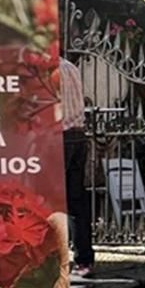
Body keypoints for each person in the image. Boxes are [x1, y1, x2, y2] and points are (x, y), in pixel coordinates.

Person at [59, 55, 95, 276]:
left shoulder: (47, 71)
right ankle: (84, 259)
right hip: (78, 135)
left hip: (59, 137)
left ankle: (55, 260)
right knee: (76, 201)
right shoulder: (70, 66)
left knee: (51, 204)